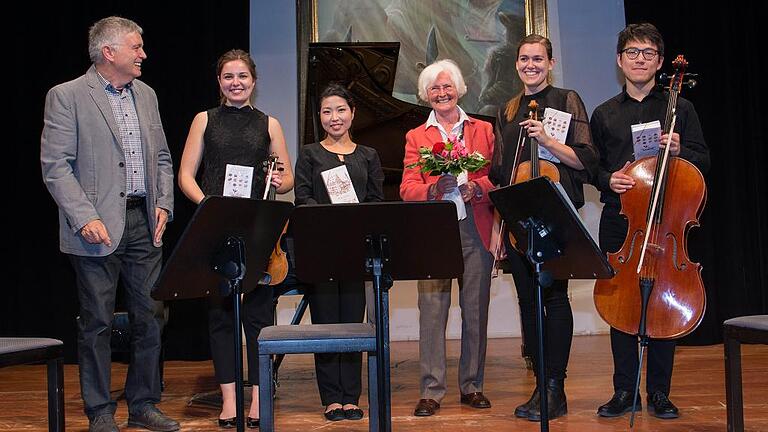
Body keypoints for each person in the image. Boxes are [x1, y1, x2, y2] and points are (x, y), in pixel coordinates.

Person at [40, 16, 179, 432]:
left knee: (151, 317)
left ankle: (143, 403)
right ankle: (100, 411)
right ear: (109, 52)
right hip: (96, 228)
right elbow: (55, 167)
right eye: (136, 48)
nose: (143, 55)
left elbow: (162, 159)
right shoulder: (67, 96)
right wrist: (84, 217)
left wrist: (165, 205)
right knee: (97, 321)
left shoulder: (147, 95)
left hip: (144, 222)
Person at [589, 23, 710, 419]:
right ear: (619, 60)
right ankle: (624, 391)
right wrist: (609, 178)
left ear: (660, 62)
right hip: (622, 220)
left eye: (648, 53)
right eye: (632, 52)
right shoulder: (604, 112)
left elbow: (703, 161)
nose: (639, 59)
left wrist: (682, 148)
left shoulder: (681, 109)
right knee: (621, 305)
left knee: (661, 304)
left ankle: (659, 391)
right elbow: (593, 167)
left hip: (666, 224)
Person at [178, 49, 294, 429]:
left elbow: (287, 177)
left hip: (256, 228)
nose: (236, 82)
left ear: (254, 81)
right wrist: (210, 207)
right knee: (221, 316)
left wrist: (282, 181)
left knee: (259, 316)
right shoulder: (204, 120)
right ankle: (229, 401)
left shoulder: (269, 124)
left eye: (243, 76)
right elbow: (186, 177)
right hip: (216, 227)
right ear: (219, 82)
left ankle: (259, 398)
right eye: (229, 76)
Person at [489, 34, 598, 421]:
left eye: (538, 58)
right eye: (524, 59)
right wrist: (498, 230)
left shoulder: (567, 100)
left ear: (550, 63)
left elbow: (585, 160)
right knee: (526, 301)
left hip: (557, 214)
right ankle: (539, 384)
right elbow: (501, 176)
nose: (530, 64)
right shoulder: (507, 109)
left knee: (554, 298)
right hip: (519, 220)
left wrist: (548, 140)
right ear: (516, 64)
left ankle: (557, 387)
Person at [400, 59, 495, 417]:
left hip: (476, 227)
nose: (441, 93)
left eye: (447, 86)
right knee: (432, 313)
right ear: (426, 95)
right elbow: (406, 188)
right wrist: (431, 189)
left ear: (459, 89)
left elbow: (497, 178)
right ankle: (431, 390)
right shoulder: (416, 137)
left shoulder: (483, 130)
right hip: (433, 232)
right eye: (434, 89)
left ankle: (472, 386)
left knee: (475, 310)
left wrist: (476, 188)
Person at [294, 83, 384, 421]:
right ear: (319, 117)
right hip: (322, 248)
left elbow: (376, 201)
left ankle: (351, 396)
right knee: (327, 322)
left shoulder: (369, 155)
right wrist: (329, 218)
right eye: (327, 111)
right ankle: (331, 397)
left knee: (353, 322)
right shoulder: (310, 153)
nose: (335, 117)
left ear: (352, 113)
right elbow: (303, 197)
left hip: (356, 249)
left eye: (340, 110)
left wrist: (356, 220)